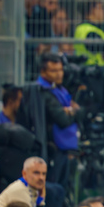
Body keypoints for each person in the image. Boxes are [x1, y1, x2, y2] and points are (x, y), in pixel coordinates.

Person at [36, 53, 80, 186]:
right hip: (52, 148)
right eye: (54, 71)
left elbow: (75, 111)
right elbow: (62, 119)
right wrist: (74, 112)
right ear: (43, 72)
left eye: (60, 70)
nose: (59, 74)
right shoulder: (42, 91)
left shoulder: (61, 89)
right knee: (54, 186)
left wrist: (71, 111)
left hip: (64, 148)